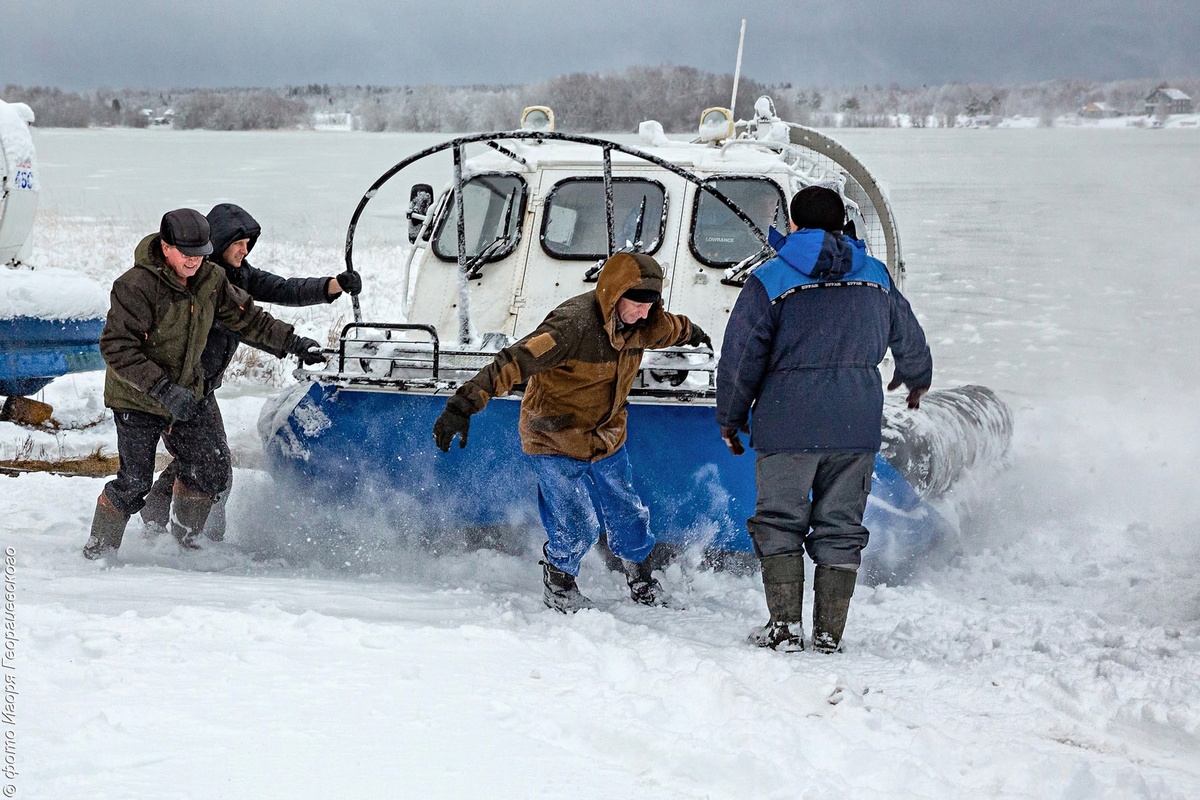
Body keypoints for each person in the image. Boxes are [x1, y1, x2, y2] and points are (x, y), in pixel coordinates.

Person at [716, 185, 932, 653]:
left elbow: (741, 354)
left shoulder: (770, 278)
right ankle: (830, 635)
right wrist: (916, 377)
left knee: (779, 522)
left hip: (786, 424)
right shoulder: (875, 274)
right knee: (841, 526)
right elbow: (908, 333)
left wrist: (731, 417)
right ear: (843, 224)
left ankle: (785, 629)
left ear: (793, 224)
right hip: (855, 424)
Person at [432, 252, 710, 613]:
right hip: (555, 437)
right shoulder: (571, 326)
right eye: (636, 304)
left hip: (607, 436)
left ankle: (640, 578)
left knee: (628, 513)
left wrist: (694, 333)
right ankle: (559, 585)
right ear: (614, 294)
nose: (643, 313)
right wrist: (461, 406)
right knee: (575, 523)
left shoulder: (647, 322)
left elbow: (672, 327)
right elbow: (512, 362)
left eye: (650, 304)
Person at [82, 208, 327, 561]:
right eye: (187, 253)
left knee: (212, 469)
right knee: (134, 483)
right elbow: (116, 347)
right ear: (166, 247)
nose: (194, 261)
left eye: (200, 253)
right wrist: (162, 389)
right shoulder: (135, 286)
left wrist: (294, 343)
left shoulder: (210, 279)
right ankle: (98, 553)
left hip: (189, 392)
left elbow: (248, 319)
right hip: (137, 397)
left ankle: (186, 547)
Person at [138, 203, 361, 540]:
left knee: (202, 459)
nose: (245, 250)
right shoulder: (198, 281)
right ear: (219, 241)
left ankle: (163, 518)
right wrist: (292, 344)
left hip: (202, 387)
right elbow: (246, 326)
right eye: (239, 244)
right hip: (175, 386)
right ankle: (196, 539)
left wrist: (333, 285)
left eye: (248, 244)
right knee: (212, 464)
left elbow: (283, 288)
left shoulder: (240, 274)